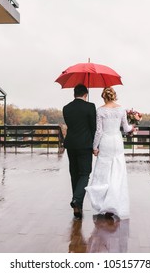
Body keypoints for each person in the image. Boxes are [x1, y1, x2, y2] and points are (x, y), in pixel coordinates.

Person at [85, 87, 137, 219]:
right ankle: (114, 202)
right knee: (117, 172)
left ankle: (104, 202)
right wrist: (133, 126)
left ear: (104, 97)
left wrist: (95, 147)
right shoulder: (121, 109)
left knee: (104, 173)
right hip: (117, 142)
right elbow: (126, 128)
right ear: (114, 96)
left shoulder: (101, 110)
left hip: (106, 142)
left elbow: (99, 132)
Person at [63, 84, 96, 219]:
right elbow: (93, 127)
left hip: (71, 144)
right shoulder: (90, 107)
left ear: (74, 94)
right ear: (85, 94)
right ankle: (77, 200)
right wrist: (95, 145)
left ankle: (78, 207)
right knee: (85, 173)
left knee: (74, 174)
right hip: (85, 145)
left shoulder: (66, 108)